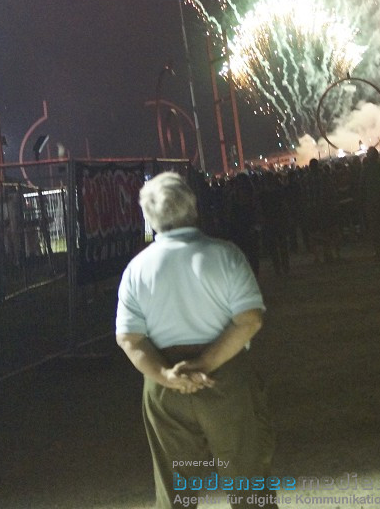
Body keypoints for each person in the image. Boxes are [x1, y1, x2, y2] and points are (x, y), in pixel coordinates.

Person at [116, 171, 275, 509]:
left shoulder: (136, 269)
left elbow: (130, 339)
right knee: (248, 482)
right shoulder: (226, 255)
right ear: (193, 206)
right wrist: (204, 365)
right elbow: (250, 319)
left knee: (176, 492)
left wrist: (167, 376)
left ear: (149, 216)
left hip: (164, 388)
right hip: (226, 377)